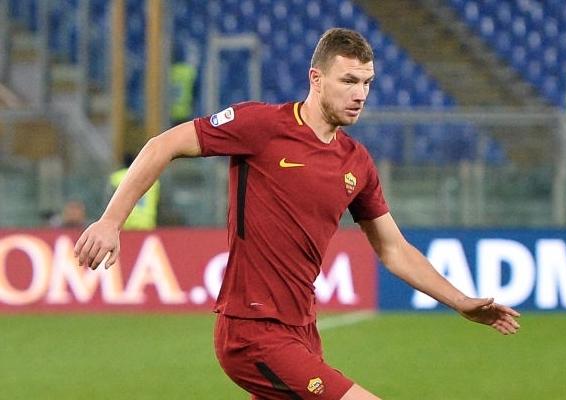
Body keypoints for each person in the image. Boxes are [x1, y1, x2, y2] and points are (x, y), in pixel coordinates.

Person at [74, 28, 520, 400]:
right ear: (316, 79)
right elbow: (163, 144)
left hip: (302, 330)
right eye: (349, 81)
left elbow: (394, 249)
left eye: (367, 83)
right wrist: (111, 221)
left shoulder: (357, 162)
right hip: (252, 331)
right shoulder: (262, 126)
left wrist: (460, 301)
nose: (360, 94)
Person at [109, 152, 160, 230]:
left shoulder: (116, 178)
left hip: (123, 223)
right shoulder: (153, 178)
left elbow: (110, 201)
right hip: (146, 223)